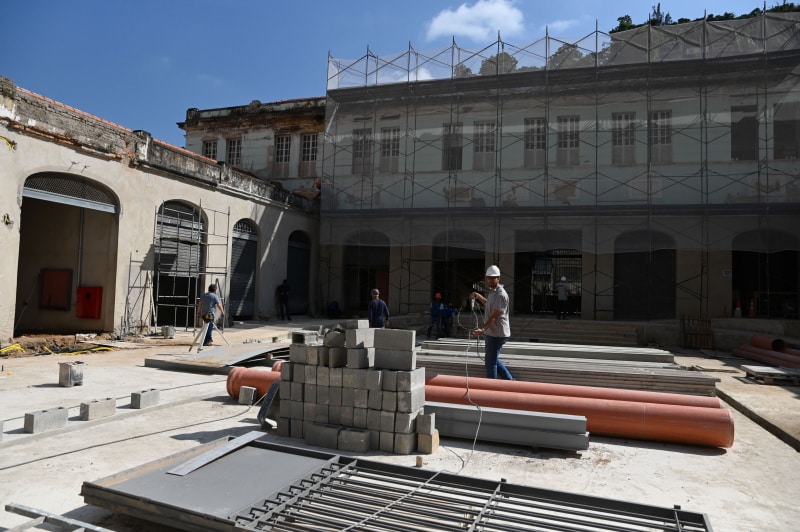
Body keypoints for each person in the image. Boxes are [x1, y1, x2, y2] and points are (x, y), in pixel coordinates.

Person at [470, 265, 514, 380]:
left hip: (497, 333)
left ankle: (491, 388)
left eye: (493, 278)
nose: (490, 280)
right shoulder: (493, 292)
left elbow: (494, 316)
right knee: (491, 359)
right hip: (492, 332)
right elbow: (488, 304)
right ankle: (510, 382)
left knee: (490, 363)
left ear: (498, 278)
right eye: (488, 278)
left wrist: (482, 329)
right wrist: (478, 296)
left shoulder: (500, 294)